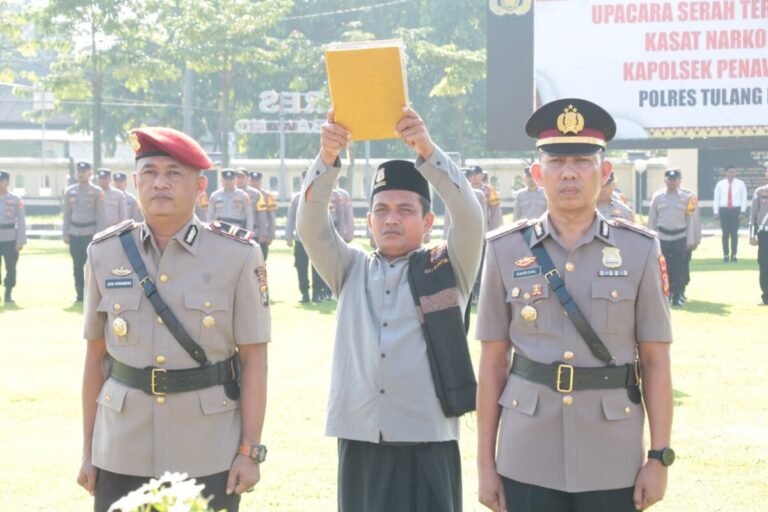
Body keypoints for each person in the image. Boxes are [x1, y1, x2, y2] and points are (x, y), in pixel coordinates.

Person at [476, 98, 673, 512]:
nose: (568, 172)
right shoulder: (503, 250)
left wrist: (658, 457)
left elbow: (655, 361)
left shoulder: (639, 249)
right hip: (526, 451)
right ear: (537, 174)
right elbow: (493, 362)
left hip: (611, 454)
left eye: (582, 161)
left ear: (604, 173)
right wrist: (484, 463)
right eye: (557, 161)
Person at [297, 107, 484, 512]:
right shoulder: (349, 269)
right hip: (363, 438)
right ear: (368, 221)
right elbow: (310, 226)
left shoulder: (448, 268)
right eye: (381, 210)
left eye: (404, 210)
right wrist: (327, 159)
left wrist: (428, 151)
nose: (391, 220)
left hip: (428, 440)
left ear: (429, 220)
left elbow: (469, 217)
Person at [77, 126, 270, 512]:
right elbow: (95, 360)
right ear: (135, 183)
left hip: (207, 447)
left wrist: (249, 450)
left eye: (173, 173)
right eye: (149, 173)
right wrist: (89, 449)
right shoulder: (104, 252)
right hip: (121, 447)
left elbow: (253, 360)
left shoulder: (237, 255)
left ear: (200, 187)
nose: (160, 183)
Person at [648, 169, 699, 307]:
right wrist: (651, 238)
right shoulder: (658, 197)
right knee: (663, 268)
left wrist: (690, 239)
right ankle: (667, 294)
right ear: (665, 180)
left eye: (675, 179)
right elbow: (652, 219)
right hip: (663, 237)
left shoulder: (686, 198)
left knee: (679, 268)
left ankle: (678, 295)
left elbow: (690, 219)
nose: (672, 182)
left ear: (679, 181)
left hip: (679, 237)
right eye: (669, 179)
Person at [63, 161, 105, 302]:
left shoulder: (97, 192)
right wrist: (65, 232)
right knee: (77, 264)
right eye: (79, 171)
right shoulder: (70, 191)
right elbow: (67, 214)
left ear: (90, 173)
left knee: (91, 266)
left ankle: (91, 293)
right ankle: (79, 293)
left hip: (90, 233)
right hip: (74, 233)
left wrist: (99, 235)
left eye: (84, 171)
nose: (81, 174)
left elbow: (101, 215)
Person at [285, 171, 326, 303]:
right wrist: (288, 236)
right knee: (301, 267)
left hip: (317, 240)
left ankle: (316, 294)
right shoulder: (297, 198)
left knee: (318, 268)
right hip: (300, 239)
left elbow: (326, 218)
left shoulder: (321, 196)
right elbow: (291, 218)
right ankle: (305, 294)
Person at [0, 170, 25, 303]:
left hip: (10, 238)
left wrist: (20, 241)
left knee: (10, 267)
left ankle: (8, 293)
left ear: (6, 182)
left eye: (1, 181)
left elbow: (21, 221)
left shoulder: (15, 199)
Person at [713, 165, 748, 262]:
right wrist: (716, 212)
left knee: (734, 233)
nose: (731, 174)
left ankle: (734, 254)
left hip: (735, 210)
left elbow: (744, 198)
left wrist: (742, 211)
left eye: (733, 172)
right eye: (729, 172)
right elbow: (716, 199)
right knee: (725, 233)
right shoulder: (720, 184)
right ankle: (725, 254)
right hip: (724, 210)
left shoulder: (740, 184)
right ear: (725, 173)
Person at [749, 166, 768, 305]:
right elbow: (753, 214)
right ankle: (766, 296)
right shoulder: (760, 192)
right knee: (764, 264)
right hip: (764, 232)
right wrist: (752, 235)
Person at [249, 172, 277, 260]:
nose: (254, 183)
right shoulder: (244, 194)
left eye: (257, 181)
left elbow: (271, 217)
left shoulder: (267, 195)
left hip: (262, 234)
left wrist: (270, 234)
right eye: (253, 180)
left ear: (260, 181)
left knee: (261, 261)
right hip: (248, 232)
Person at [235, 168, 266, 236]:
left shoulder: (256, 194)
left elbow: (262, 216)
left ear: (248, 179)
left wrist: (263, 233)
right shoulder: (226, 193)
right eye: (237, 177)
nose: (239, 180)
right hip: (233, 231)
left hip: (252, 231)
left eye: (242, 177)